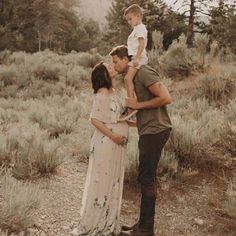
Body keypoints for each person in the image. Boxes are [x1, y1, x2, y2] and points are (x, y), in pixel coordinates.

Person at [110, 45, 172, 236]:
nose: (114, 65)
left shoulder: (143, 72)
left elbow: (165, 97)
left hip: (156, 130)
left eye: (115, 61)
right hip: (148, 130)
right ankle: (141, 225)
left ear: (125, 59)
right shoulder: (131, 77)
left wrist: (137, 105)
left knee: (147, 178)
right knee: (145, 177)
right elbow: (139, 111)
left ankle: (146, 230)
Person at [78, 62, 129, 236]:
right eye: (109, 67)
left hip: (116, 146)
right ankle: (97, 222)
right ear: (104, 75)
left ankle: (110, 221)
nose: (112, 67)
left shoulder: (113, 91)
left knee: (113, 180)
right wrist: (114, 136)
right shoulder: (101, 94)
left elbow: (118, 116)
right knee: (103, 182)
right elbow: (94, 119)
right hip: (106, 144)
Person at [123, 4, 148, 118]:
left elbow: (142, 44)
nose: (128, 21)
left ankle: (131, 107)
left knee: (127, 78)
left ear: (137, 16)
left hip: (139, 58)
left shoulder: (140, 28)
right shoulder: (136, 29)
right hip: (134, 57)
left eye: (130, 18)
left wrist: (137, 58)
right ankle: (132, 103)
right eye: (127, 19)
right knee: (127, 75)